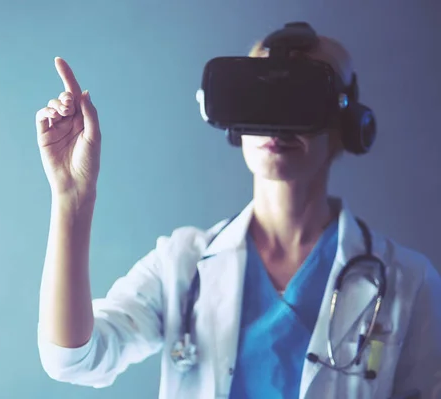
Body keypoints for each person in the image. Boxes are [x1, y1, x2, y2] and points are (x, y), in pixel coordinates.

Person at [35, 23, 441, 399]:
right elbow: (73, 359)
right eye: (261, 95)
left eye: (301, 98)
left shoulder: (410, 282)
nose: (276, 124)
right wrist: (72, 198)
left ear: (349, 121)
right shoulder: (182, 264)